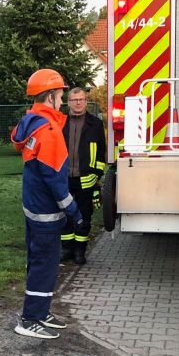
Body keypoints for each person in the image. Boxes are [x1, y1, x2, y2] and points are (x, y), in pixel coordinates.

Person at [11, 69, 84, 340]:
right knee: (45, 263)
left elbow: (19, 142)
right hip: (46, 210)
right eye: (61, 96)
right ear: (51, 96)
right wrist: (73, 211)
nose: (63, 101)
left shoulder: (30, 121)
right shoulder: (50, 129)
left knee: (40, 261)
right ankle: (30, 319)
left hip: (33, 205)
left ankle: (40, 311)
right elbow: (55, 179)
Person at [60, 87, 106, 265]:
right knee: (65, 215)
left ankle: (80, 251)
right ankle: (67, 249)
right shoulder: (61, 123)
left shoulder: (95, 124)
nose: (78, 103)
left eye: (81, 99)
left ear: (86, 101)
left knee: (84, 216)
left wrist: (97, 174)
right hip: (63, 179)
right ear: (68, 103)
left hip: (86, 179)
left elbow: (101, 152)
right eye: (74, 100)